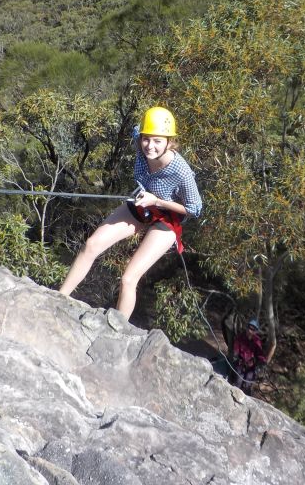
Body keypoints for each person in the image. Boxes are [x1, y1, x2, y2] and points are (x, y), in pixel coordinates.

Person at [58, 106, 202, 321]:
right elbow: (138, 128)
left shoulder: (181, 171)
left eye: (157, 140)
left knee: (128, 278)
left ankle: (117, 329)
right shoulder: (140, 142)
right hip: (143, 204)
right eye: (146, 139)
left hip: (166, 219)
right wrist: (149, 200)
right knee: (91, 245)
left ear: (169, 142)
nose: (150, 146)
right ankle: (59, 297)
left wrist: (158, 201)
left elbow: (194, 209)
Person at [230, 318, 267, 395]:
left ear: (255, 331)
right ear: (247, 327)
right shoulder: (239, 337)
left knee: (248, 382)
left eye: (253, 329)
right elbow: (236, 350)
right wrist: (236, 357)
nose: (250, 330)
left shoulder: (257, 341)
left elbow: (260, 354)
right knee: (239, 380)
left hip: (251, 366)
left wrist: (262, 363)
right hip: (240, 364)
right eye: (249, 328)